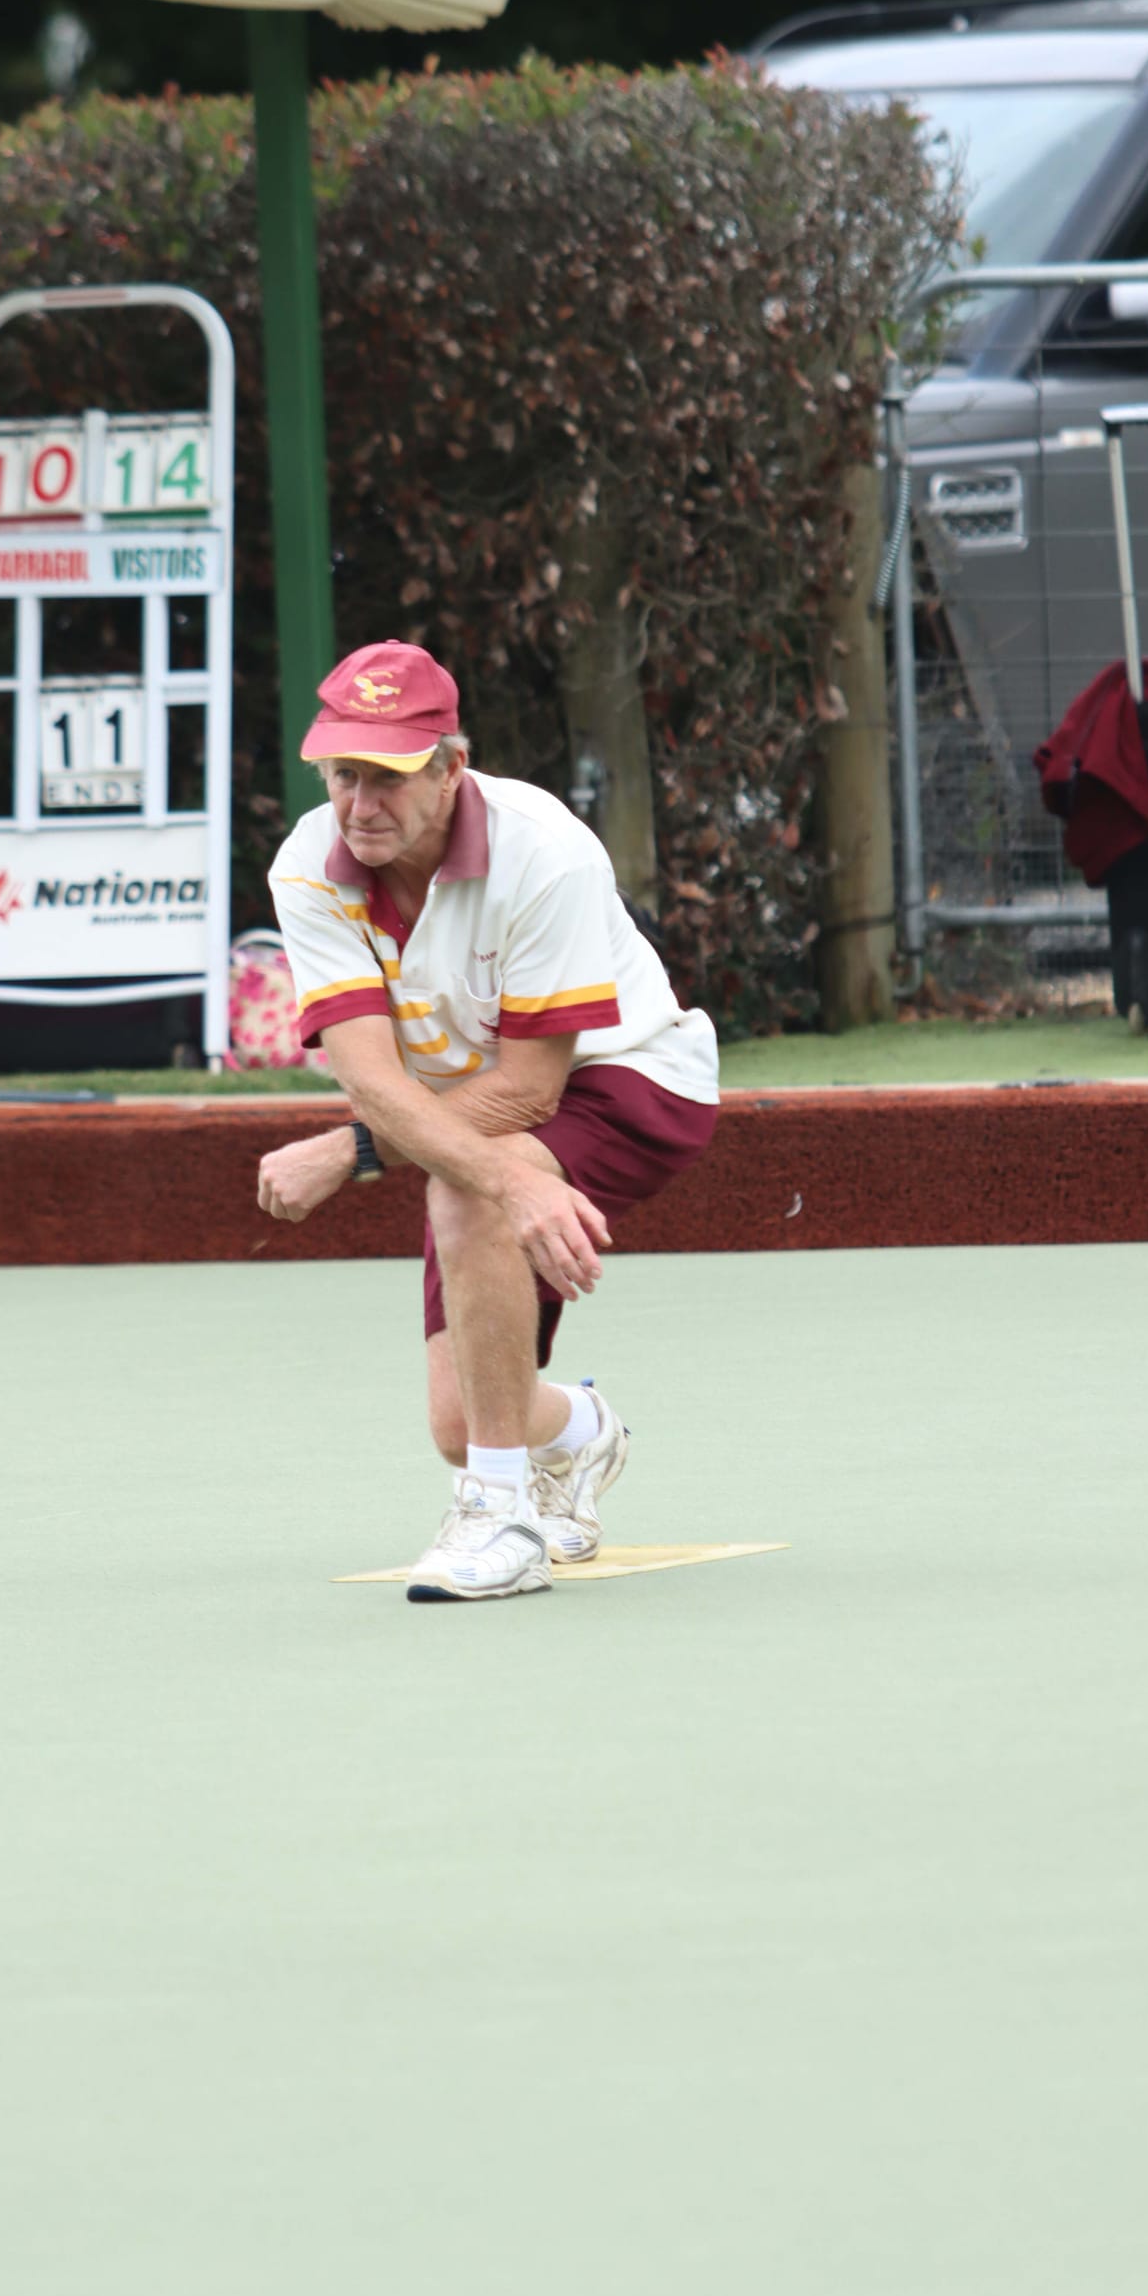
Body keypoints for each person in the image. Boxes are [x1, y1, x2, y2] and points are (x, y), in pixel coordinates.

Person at [259, 640, 720, 1601]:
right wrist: (419, 1151)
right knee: (458, 1419)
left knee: (465, 1188)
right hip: (474, 1118)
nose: (359, 806)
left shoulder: (542, 850)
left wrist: (363, 1156)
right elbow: (375, 1085)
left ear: (450, 768)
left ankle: (499, 1515)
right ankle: (581, 1436)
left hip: (632, 1079)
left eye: (385, 779)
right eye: (343, 776)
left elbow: (529, 1092)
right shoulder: (309, 867)